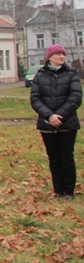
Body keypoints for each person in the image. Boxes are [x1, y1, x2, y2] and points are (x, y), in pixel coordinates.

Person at [30, 44, 82, 199]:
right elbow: (35, 99)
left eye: (63, 54)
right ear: (49, 57)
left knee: (66, 157)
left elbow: (75, 97)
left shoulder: (71, 74)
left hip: (68, 124)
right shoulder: (40, 76)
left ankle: (69, 191)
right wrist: (49, 116)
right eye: (58, 54)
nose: (61, 57)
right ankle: (58, 190)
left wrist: (59, 115)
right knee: (54, 158)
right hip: (47, 124)